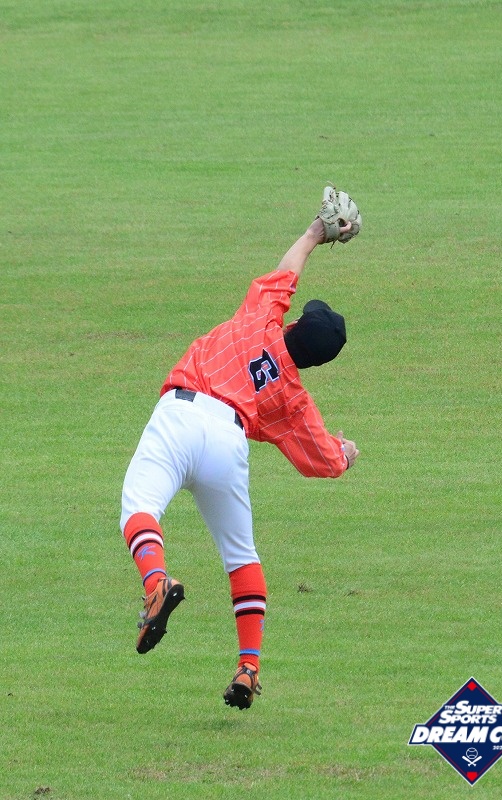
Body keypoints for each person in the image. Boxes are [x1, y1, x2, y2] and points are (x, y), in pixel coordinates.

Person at [120, 212, 360, 710]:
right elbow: (324, 461)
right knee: (241, 556)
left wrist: (315, 233)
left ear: (294, 323)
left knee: (139, 507)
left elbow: (286, 273)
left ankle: (156, 581)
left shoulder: (260, 318)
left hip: (181, 414)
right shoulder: (293, 401)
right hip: (228, 446)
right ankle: (248, 667)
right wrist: (346, 452)